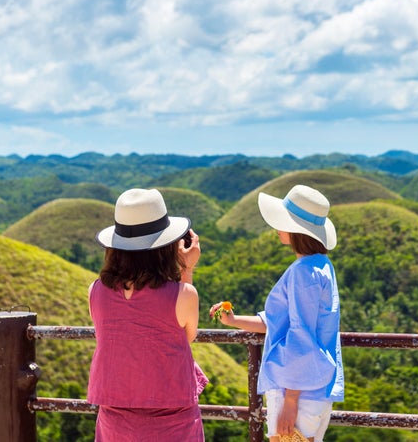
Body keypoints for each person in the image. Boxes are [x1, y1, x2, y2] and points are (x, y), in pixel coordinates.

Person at [210, 184, 344, 442]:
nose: (276, 228)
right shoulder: (321, 266)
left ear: (296, 230)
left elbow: (300, 334)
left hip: (297, 391)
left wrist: (290, 402)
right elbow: (279, 323)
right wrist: (234, 320)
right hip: (315, 387)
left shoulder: (302, 272)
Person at [87, 188, 206, 441]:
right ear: (165, 246)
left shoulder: (96, 291)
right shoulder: (184, 294)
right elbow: (185, 337)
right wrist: (186, 270)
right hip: (173, 419)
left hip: (114, 417)